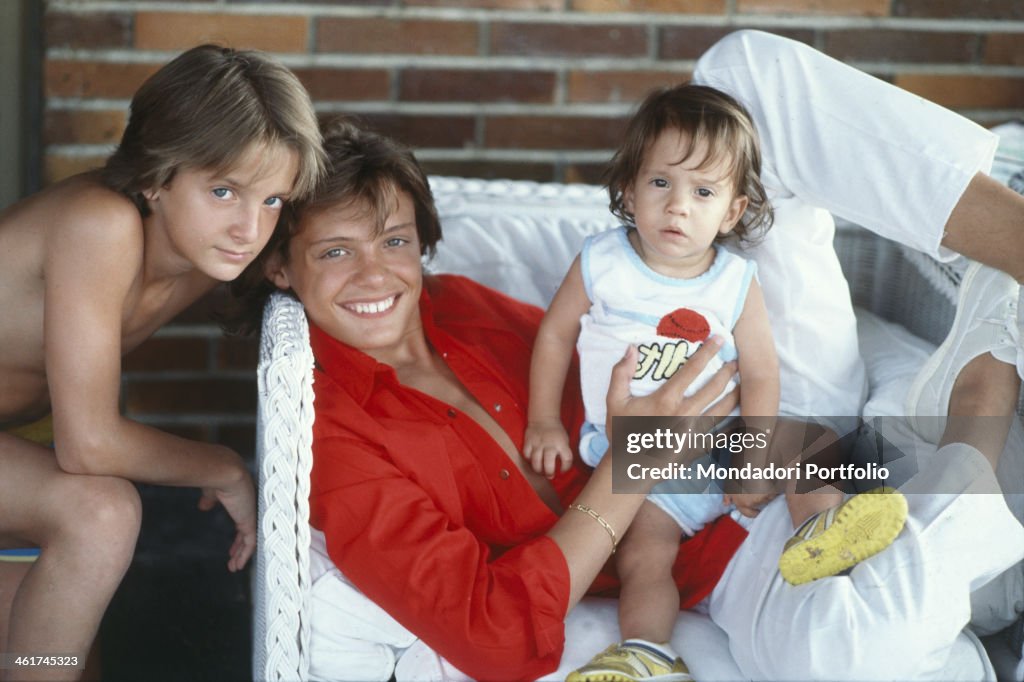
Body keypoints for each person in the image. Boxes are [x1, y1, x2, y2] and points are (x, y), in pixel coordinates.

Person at [249, 30, 1024, 682]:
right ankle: (980, 418)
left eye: (394, 242)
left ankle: (1012, 248)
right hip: (708, 542)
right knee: (857, 652)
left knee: (740, 76)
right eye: (335, 253)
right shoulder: (337, 438)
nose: (376, 276)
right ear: (280, 269)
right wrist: (639, 459)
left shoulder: (458, 305)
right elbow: (492, 634)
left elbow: (617, 332)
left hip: (769, 394)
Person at [523, 82, 897, 681]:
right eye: (661, 183)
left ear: (731, 211)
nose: (678, 207)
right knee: (646, 556)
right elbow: (554, 335)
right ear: (627, 187)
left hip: (722, 436)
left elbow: (761, 368)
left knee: (809, 440)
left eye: (703, 192)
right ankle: (647, 654)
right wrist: (543, 419)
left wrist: (752, 448)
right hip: (638, 459)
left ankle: (822, 524)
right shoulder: (602, 262)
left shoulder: (734, 281)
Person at [0, 44, 324, 681]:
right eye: (224, 190)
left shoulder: (211, 247)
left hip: (17, 436)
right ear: (154, 176)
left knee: (61, 653)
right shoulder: (101, 224)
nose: (249, 228)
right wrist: (225, 467)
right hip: (37, 439)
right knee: (100, 513)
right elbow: (88, 445)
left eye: (273, 200)